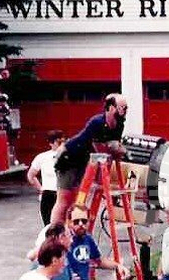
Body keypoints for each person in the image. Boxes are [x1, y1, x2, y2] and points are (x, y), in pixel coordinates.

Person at [49, 94, 128, 226]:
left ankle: (68, 230)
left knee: (75, 199)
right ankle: (53, 233)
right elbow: (98, 148)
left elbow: (113, 145)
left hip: (82, 160)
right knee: (64, 200)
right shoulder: (97, 122)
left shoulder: (119, 125)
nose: (124, 110)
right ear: (110, 108)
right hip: (69, 157)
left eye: (126, 107)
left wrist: (120, 151)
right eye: (122, 107)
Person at [28, 130, 65, 226]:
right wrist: (40, 189)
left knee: (65, 226)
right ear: (51, 143)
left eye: (63, 142)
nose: (61, 145)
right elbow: (31, 175)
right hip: (48, 195)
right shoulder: (42, 157)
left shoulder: (69, 156)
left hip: (63, 194)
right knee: (49, 227)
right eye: (59, 142)